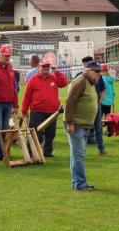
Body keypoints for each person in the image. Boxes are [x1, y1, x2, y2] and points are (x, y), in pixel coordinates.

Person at [64, 61, 103, 191]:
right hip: (77, 125)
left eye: (100, 71)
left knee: (77, 155)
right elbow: (70, 102)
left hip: (83, 125)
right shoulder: (80, 82)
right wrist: (69, 122)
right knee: (78, 156)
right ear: (87, 70)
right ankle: (80, 183)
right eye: (96, 71)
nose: (99, 74)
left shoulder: (89, 83)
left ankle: (77, 182)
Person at [22, 59, 68, 157]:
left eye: (48, 66)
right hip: (37, 111)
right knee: (35, 133)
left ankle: (47, 152)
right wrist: (24, 110)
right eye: (44, 66)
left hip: (52, 112)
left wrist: (57, 72)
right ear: (39, 67)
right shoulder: (33, 80)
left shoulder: (54, 77)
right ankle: (31, 153)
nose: (46, 68)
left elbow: (64, 83)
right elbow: (27, 96)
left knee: (51, 134)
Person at [75, 56, 108, 156]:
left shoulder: (99, 76)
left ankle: (101, 150)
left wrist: (99, 102)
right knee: (83, 128)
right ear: (84, 65)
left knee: (98, 128)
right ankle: (81, 152)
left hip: (96, 106)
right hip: (84, 108)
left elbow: (103, 90)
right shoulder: (79, 77)